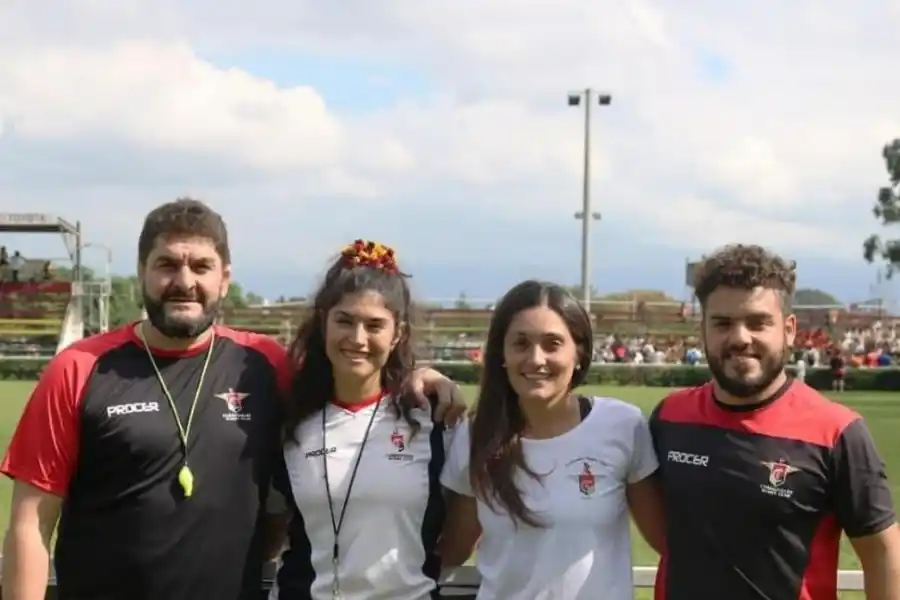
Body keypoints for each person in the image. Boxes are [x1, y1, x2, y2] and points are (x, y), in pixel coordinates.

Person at [0, 199, 466, 600]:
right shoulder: (78, 369)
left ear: (225, 278)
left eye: (201, 267)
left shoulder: (264, 363)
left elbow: (354, 371)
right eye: (167, 265)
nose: (185, 281)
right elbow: (29, 525)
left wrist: (416, 376)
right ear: (142, 271)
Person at [650, 244, 900, 600]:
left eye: (757, 323)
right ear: (702, 329)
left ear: (789, 329)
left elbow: (884, 553)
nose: (740, 338)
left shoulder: (836, 432)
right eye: (723, 323)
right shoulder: (669, 417)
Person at [439, 280, 665, 600]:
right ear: (501, 353)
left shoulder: (623, 425)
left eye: (552, 343)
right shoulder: (474, 435)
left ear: (579, 351)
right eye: (520, 343)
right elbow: (450, 550)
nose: (536, 358)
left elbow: (666, 542)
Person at [268, 239, 452, 600]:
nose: (358, 338)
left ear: (397, 333)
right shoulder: (291, 419)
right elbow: (272, 529)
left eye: (374, 325)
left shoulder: (432, 418)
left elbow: (460, 536)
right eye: (345, 321)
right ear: (324, 324)